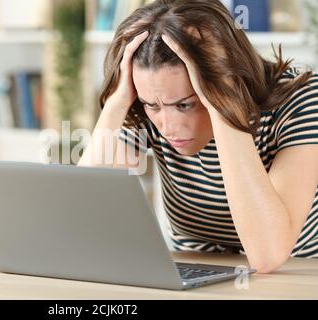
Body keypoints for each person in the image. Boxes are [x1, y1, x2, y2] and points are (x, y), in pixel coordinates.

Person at [78, 0, 318, 274]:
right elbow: (83, 221)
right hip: (197, 276)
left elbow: (268, 255)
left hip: (297, 276)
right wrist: (116, 104)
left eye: (185, 105)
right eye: (152, 106)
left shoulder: (300, 100)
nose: (167, 127)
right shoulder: (151, 100)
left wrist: (223, 102)